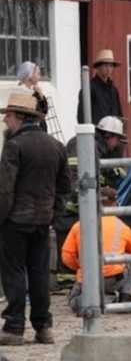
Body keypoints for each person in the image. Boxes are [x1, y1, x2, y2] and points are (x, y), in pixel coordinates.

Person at [0, 92, 70, 345]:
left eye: (8, 115)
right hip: (43, 220)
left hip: (15, 220)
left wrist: (1, 218)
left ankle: (14, 328)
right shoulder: (56, 146)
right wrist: (53, 214)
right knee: (39, 273)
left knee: (14, 273)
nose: (5, 120)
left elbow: (5, 189)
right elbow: (64, 187)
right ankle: (43, 327)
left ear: (19, 116)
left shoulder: (14, 146)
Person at [54, 116, 127, 273]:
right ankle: (69, 279)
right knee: (70, 241)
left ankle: (73, 276)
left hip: (75, 203)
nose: (117, 145)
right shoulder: (87, 145)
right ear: (110, 136)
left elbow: (98, 174)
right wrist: (102, 191)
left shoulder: (95, 146)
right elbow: (76, 178)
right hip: (71, 204)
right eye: (117, 139)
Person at [62, 191, 131, 314]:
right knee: (130, 261)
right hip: (113, 279)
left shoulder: (80, 225)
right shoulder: (122, 226)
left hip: (86, 279)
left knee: (76, 298)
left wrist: (81, 268)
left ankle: (83, 298)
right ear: (115, 204)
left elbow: (67, 256)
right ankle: (124, 297)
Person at [77, 49, 123, 125]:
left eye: (111, 66)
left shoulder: (114, 90)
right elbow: (81, 117)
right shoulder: (89, 88)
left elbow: (119, 114)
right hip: (96, 134)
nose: (109, 69)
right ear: (98, 67)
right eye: (105, 65)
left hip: (112, 134)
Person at [16, 61, 49, 132]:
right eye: (38, 74)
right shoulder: (21, 92)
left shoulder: (34, 92)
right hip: (30, 133)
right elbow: (41, 113)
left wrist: (40, 95)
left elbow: (44, 111)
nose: (39, 77)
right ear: (30, 75)